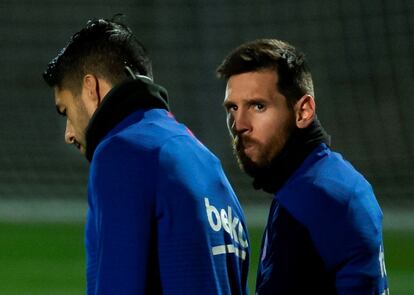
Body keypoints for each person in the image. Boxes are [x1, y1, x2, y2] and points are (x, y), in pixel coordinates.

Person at [43, 18, 249, 295]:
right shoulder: (210, 166)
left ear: (91, 89)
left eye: (65, 110)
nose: (69, 134)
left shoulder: (121, 153)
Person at [217, 39, 389, 294]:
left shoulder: (312, 198)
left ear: (303, 111)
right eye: (232, 107)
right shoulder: (332, 178)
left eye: (258, 106)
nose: (239, 124)